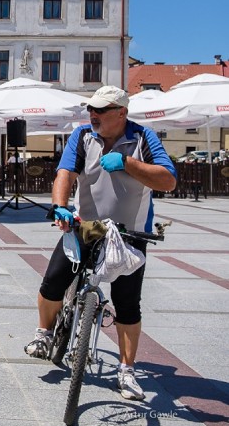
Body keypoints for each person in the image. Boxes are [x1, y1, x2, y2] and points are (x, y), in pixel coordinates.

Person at [24, 86, 177, 400]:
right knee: (52, 281)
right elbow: (65, 172)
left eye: (101, 110)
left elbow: (168, 180)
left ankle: (127, 370)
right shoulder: (82, 135)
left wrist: (127, 163)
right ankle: (43, 333)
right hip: (88, 226)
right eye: (90, 109)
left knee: (127, 304)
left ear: (121, 113)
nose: (92, 115)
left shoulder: (144, 138)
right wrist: (60, 206)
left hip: (130, 233)